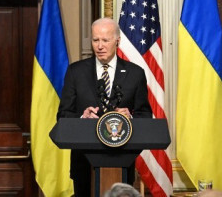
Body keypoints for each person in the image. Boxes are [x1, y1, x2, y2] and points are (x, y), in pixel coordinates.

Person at [57, 17, 152, 196]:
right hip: (83, 163)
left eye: (105, 40)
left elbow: (145, 116)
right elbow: (62, 116)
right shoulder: (76, 72)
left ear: (117, 41)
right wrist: (82, 118)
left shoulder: (135, 73)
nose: (99, 46)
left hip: (122, 160)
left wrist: (129, 117)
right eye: (95, 40)